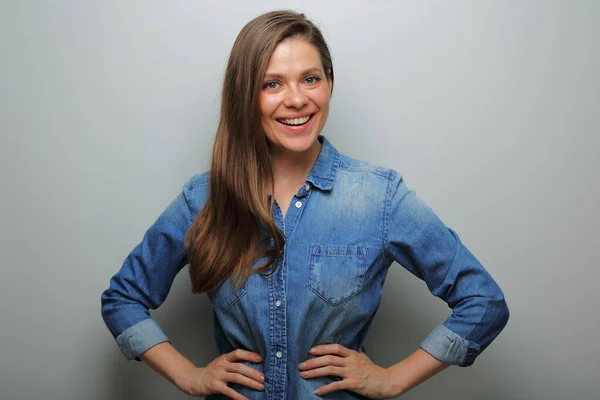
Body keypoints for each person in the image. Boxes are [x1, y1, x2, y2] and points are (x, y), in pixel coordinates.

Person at [100, 10, 509, 400]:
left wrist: (393, 380)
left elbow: (483, 302)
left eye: (310, 79)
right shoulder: (204, 199)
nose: (295, 100)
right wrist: (188, 376)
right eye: (272, 84)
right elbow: (123, 300)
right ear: (246, 95)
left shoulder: (378, 197)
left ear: (329, 83)